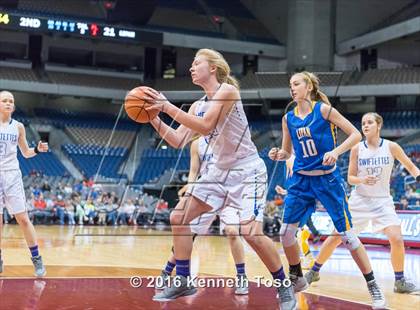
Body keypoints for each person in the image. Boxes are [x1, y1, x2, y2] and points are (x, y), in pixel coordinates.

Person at [144, 48, 296, 308]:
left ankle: (284, 286)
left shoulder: (227, 92)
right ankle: (182, 279)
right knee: (178, 217)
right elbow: (179, 140)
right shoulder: (197, 105)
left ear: (212, 68)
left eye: (196, 63)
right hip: (219, 172)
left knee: (249, 232)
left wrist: (167, 106)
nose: (191, 68)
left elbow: (206, 127)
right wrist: (153, 118)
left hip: (247, 170)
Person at [269, 72, 386, 308]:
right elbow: (287, 152)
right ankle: (297, 276)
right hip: (301, 181)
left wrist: (335, 152)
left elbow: (354, 134)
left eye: (296, 84)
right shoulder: (288, 118)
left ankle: (373, 285)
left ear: (309, 86)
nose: (292, 88)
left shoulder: (323, 110)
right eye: (290, 85)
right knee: (286, 234)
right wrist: (279, 154)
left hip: (327, 181)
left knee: (348, 237)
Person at [305, 112, 420, 294]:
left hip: (382, 201)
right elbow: (350, 178)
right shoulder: (357, 149)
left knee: (397, 239)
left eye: (369, 123)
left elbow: (411, 166)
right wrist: (362, 180)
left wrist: (418, 176)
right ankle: (314, 271)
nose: (365, 126)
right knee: (336, 237)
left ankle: (400, 281)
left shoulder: (392, 147)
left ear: (379, 125)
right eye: (363, 123)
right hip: (359, 201)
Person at [157, 137, 249, 295]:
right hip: (206, 192)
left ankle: (242, 277)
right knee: (187, 234)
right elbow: (193, 171)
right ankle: (167, 272)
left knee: (233, 232)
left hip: (228, 191)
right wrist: (189, 192)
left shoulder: (227, 136)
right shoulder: (197, 144)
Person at [0, 90, 48, 276]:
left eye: (11, 101)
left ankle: (37, 259)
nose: (8, 103)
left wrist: (37, 149)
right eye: (4, 100)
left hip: (12, 175)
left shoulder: (18, 126)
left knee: (23, 219)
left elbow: (26, 153)